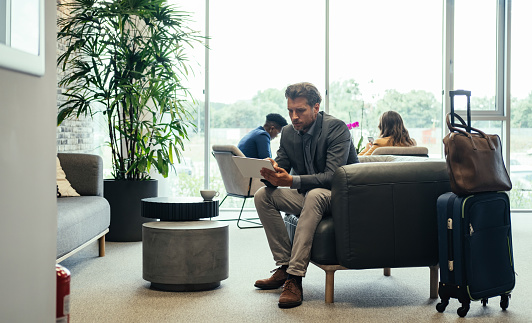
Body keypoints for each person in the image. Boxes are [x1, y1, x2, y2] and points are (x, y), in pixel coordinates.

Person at [253, 82, 359, 308]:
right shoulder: (289, 133)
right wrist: (268, 171)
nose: (293, 117)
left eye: (300, 110)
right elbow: (282, 163)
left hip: (342, 197)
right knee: (263, 196)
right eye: (290, 111)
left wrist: (292, 180)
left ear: (316, 107)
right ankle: (283, 266)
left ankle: (295, 277)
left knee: (315, 194)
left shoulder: (337, 128)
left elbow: (333, 176)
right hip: (310, 194)